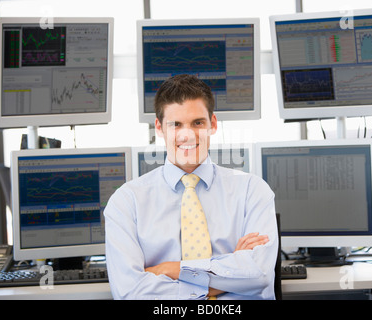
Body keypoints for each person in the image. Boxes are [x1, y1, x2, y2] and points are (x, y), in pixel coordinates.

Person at [104, 74, 278, 300]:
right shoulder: (127, 202)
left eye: (198, 123)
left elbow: (260, 275)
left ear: (212, 124)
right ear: (159, 127)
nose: (187, 135)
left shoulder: (252, 191)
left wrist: (170, 269)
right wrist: (231, 272)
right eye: (176, 124)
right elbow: (131, 293)